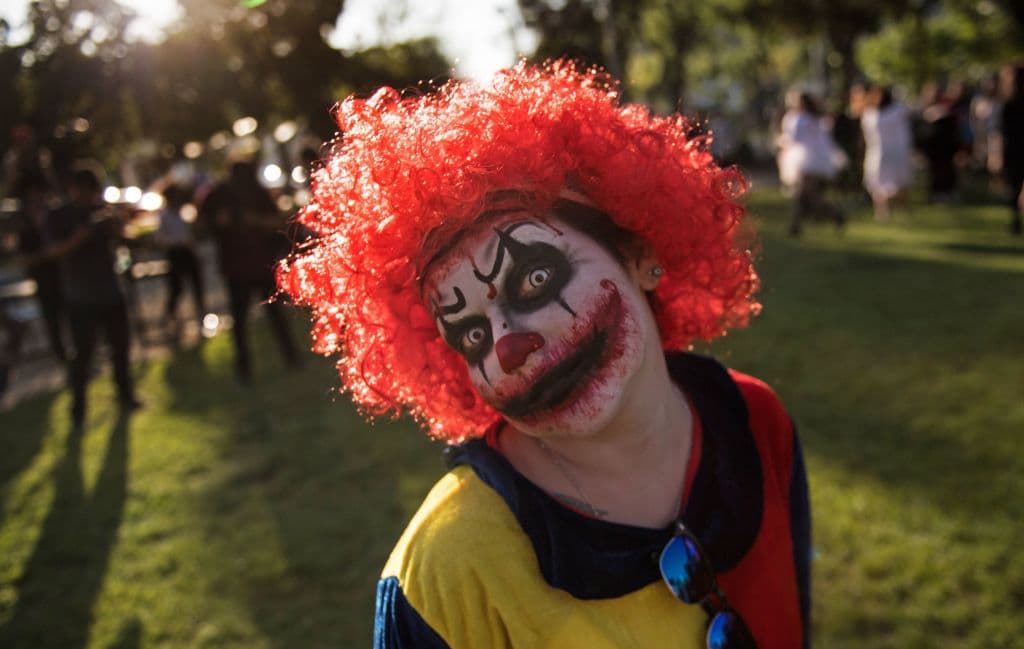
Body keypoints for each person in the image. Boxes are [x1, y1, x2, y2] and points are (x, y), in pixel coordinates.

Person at [279, 62, 811, 648]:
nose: (508, 347)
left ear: (638, 252)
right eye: (472, 336)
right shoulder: (446, 571)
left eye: (534, 279)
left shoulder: (755, 421)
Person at [43, 165, 139, 429]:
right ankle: (78, 412)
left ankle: (126, 397)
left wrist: (118, 225)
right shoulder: (59, 216)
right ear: (74, 190)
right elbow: (52, 253)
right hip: (80, 298)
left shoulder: (102, 212)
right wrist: (80, 236)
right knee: (83, 357)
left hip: (110, 291)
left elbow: (126, 241)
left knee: (121, 349)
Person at [200, 161, 301, 383]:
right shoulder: (220, 195)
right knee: (242, 321)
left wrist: (251, 220)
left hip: (258, 266)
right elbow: (202, 224)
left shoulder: (255, 193)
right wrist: (221, 222)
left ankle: (289, 356)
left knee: (272, 316)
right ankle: (246, 365)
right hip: (238, 268)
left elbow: (276, 221)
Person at [777, 90, 844, 236]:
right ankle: (831, 217)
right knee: (802, 195)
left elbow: (803, 139)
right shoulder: (793, 117)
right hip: (799, 159)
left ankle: (832, 215)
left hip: (808, 160)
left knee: (806, 195)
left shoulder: (809, 119)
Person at [155, 184, 206, 335]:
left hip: (187, 251)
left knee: (196, 284)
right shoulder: (165, 217)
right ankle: (171, 317)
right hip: (176, 253)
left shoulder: (184, 213)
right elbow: (161, 239)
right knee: (176, 287)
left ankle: (200, 313)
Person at [861, 85, 913, 222]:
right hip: (884, 151)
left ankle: (894, 210)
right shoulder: (873, 113)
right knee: (882, 182)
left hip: (889, 151)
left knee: (891, 182)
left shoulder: (893, 111)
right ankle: (887, 211)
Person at [998, 64, 1024, 235]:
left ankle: (1015, 220)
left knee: (1014, 188)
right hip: (1014, 149)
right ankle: (1015, 220)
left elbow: (1000, 133)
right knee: (1015, 188)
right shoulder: (1008, 104)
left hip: (1013, 150)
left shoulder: (1007, 104)